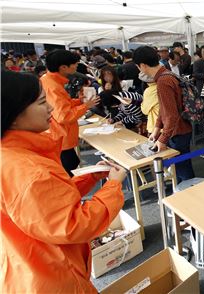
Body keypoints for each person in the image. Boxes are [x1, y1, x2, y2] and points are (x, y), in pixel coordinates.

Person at [1, 70, 127, 292]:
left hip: (25, 266)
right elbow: (74, 225)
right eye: (42, 102)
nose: (50, 108)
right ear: (13, 113)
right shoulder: (31, 171)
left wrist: (89, 178)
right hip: (53, 274)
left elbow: (47, 205)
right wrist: (113, 186)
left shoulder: (11, 156)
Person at [134, 46, 195, 182]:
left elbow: (171, 115)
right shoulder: (166, 75)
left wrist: (163, 138)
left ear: (143, 65)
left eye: (138, 67)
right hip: (180, 129)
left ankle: (189, 198)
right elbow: (164, 108)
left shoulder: (163, 80)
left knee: (183, 171)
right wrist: (157, 129)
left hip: (177, 132)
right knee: (181, 168)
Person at [40, 49, 100, 175]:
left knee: (71, 162)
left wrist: (79, 101)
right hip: (59, 136)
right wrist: (86, 106)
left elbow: (62, 105)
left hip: (57, 134)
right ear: (63, 67)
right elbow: (63, 116)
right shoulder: (54, 87)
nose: (76, 66)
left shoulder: (48, 80)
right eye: (75, 64)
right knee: (69, 166)